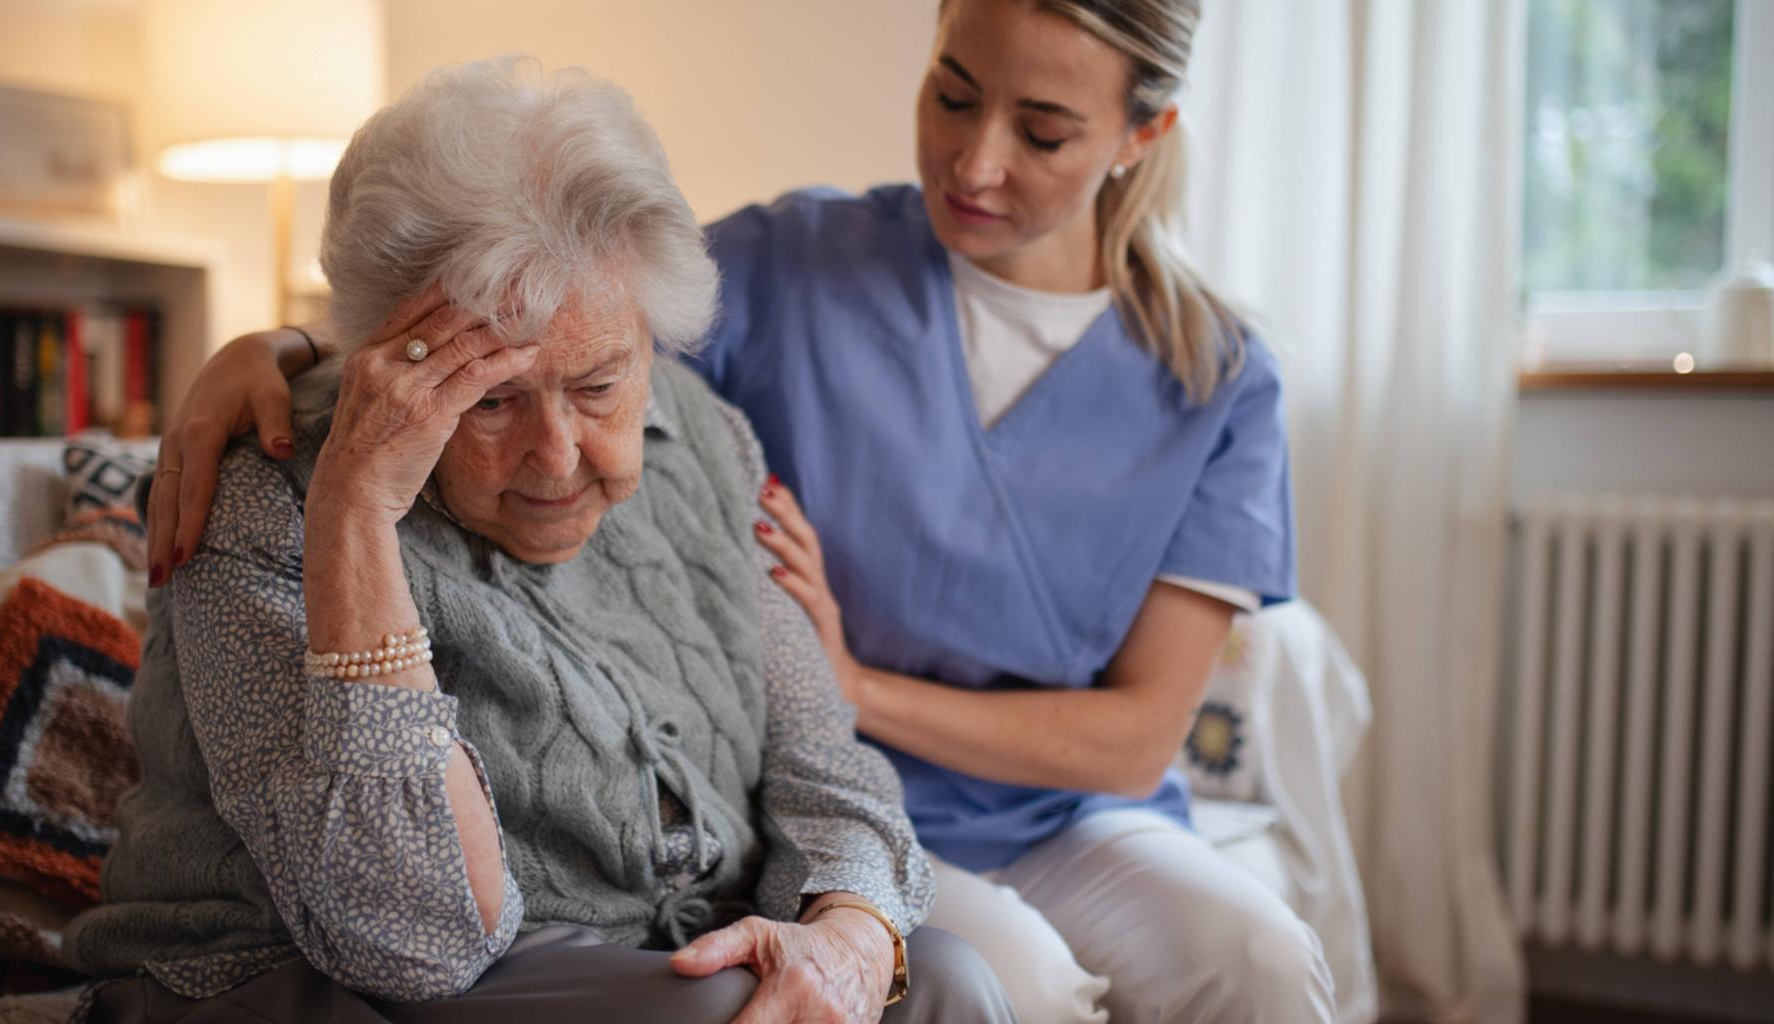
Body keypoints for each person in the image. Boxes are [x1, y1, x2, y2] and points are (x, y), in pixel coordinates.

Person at [146, 1, 1336, 1020]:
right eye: (951, 95)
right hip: (792, 835)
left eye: (1041, 129)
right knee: (1000, 979)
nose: (973, 164)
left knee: (1257, 955)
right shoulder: (798, 260)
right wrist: (289, 344)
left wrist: (853, 766)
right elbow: (537, 277)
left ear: (1142, 132)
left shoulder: (1215, 372)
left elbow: (1125, 738)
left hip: (1050, 810)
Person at [63, 57, 1015, 1024]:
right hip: (306, 977)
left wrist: (849, 933)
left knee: (943, 982)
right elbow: (411, 938)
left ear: (651, 338)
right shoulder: (267, 493)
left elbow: (825, 766)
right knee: (712, 1013)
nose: (557, 459)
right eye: (491, 397)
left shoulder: (704, 437)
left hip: (653, 958)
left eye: (600, 385)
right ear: (386, 358)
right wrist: (353, 516)